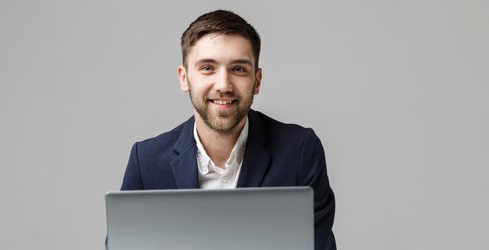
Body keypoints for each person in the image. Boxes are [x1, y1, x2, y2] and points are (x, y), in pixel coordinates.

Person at [120, 10, 336, 249]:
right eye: (207, 68)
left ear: (257, 80)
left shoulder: (300, 151)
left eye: (239, 69)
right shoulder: (146, 161)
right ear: (184, 78)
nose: (223, 85)